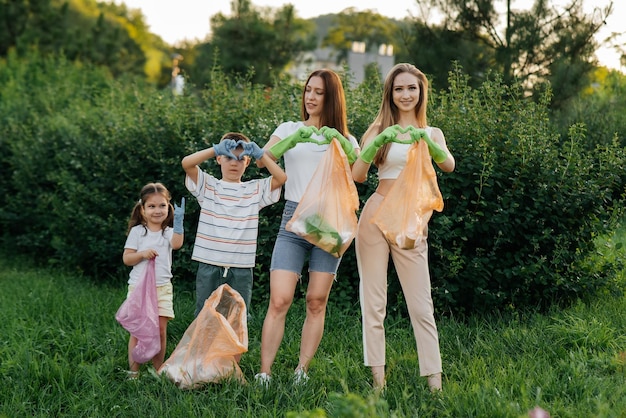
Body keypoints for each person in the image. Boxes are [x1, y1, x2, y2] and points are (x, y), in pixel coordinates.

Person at [351, 63, 455, 392]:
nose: (406, 94)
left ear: (421, 91)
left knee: (421, 305)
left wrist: (427, 140)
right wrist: (378, 139)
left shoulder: (432, 131)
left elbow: (448, 165)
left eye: (411, 88)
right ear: (390, 94)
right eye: (399, 89)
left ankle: (434, 383)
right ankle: (378, 383)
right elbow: (358, 175)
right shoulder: (378, 128)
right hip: (376, 214)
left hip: (409, 222)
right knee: (374, 303)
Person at [254, 69, 360, 385]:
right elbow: (262, 159)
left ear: (332, 99)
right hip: (293, 216)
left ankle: (301, 371)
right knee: (280, 299)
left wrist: (343, 142)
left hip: (329, 221)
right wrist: (291, 139)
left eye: (319, 92)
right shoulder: (289, 128)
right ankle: (265, 372)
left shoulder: (347, 138)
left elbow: (358, 173)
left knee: (316, 300)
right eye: (308, 90)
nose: (310, 97)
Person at [181, 132, 286, 321]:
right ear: (219, 159)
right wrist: (214, 149)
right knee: (205, 315)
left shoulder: (254, 189)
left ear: (247, 162)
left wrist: (260, 154)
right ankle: (205, 350)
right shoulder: (208, 185)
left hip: (241, 267)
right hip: (209, 261)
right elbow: (187, 163)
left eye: (240, 159)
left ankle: (232, 351)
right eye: (228, 157)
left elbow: (281, 178)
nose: (234, 163)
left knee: (237, 318)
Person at [122, 182, 185, 379]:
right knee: (138, 331)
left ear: (169, 207)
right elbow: (127, 259)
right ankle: (133, 372)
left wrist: (180, 223)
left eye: (162, 206)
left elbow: (177, 244)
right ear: (142, 209)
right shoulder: (138, 232)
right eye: (152, 206)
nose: (157, 210)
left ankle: (159, 370)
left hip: (162, 288)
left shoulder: (168, 232)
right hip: (139, 288)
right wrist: (142, 254)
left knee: (160, 330)